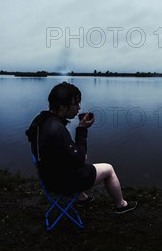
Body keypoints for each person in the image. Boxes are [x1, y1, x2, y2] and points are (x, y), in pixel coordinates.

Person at [26, 82, 137, 214]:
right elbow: (79, 159)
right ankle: (121, 205)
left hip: (47, 177)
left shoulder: (41, 121)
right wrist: (82, 130)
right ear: (62, 107)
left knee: (70, 158)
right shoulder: (57, 130)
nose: (79, 107)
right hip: (61, 183)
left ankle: (82, 198)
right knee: (108, 169)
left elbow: (63, 153)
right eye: (76, 103)